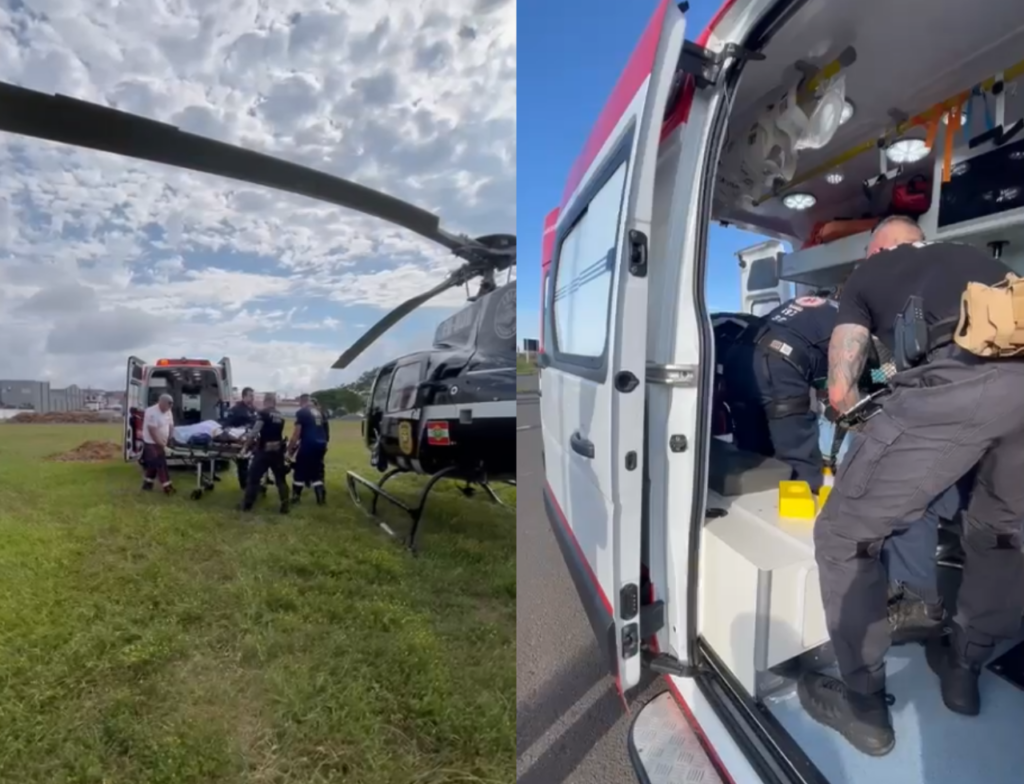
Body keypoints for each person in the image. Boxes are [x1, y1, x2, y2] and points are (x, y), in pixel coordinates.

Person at [801, 215, 1024, 756]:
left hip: (959, 383)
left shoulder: (869, 276)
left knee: (842, 536)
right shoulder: (980, 263)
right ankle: (964, 668)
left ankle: (863, 705)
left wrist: (856, 422)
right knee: (1000, 535)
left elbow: (841, 390)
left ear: (879, 248)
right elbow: (896, 366)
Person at [239, 393, 290, 514]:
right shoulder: (281, 416)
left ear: (266, 401)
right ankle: (285, 506)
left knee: (253, 478)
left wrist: (245, 447)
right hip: (277, 450)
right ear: (274, 402)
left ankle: (247, 505)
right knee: (280, 479)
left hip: (264, 450)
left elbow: (255, 432)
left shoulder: (263, 414)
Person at [288, 393, 329, 505]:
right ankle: (321, 499)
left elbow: (297, 434)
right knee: (315, 471)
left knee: (300, 470)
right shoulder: (318, 412)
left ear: (301, 402)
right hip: (321, 444)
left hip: (309, 444)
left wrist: (289, 450)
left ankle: (296, 498)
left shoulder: (301, 412)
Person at [223, 387, 258, 489]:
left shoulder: (253, 409)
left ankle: (254, 482)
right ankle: (244, 485)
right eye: (251, 396)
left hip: (252, 438)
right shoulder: (236, 409)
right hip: (241, 439)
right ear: (244, 396)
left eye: (253, 396)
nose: (253, 398)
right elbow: (227, 425)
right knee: (243, 462)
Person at [141, 393, 176, 495]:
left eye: (170, 406)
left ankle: (147, 484)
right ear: (161, 403)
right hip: (151, 442)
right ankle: (167, 486)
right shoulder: (151, 412)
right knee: (160, 463)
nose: (168, 409)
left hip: (162, 441)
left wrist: (170, 439)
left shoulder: (168, 410)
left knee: (153, 464)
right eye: (167, 406)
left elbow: (171, 426)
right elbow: (152, 431)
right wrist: (163, 445)